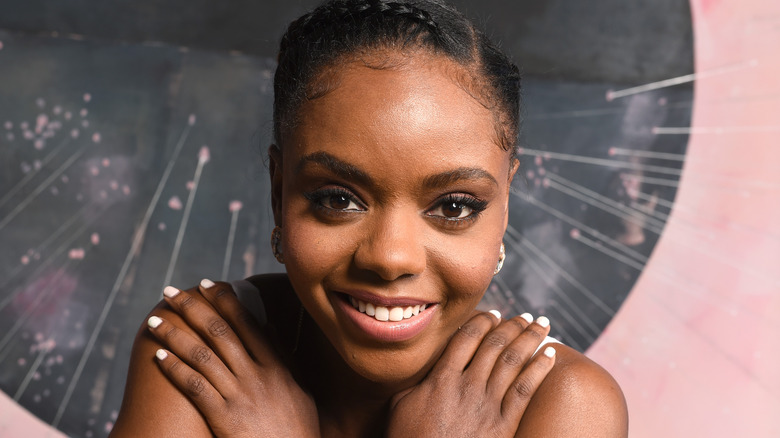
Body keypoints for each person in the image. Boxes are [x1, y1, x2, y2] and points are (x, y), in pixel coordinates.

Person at [111, 0, 628, 436]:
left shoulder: (563, 403)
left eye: (453, 206)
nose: (389, 258)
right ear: (278, 192)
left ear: (504, 206)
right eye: (338, 199)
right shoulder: (206, 352)